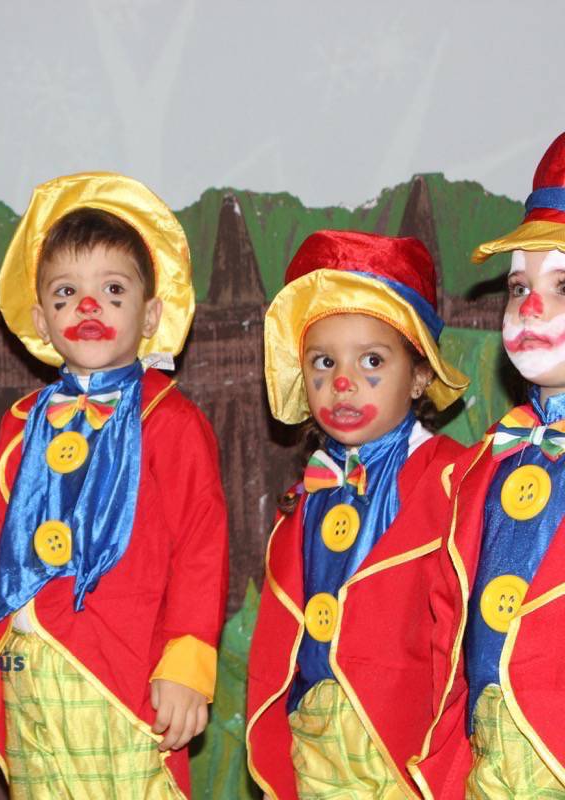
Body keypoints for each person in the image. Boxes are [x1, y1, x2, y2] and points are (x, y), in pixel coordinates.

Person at [0, 172, 229, 798]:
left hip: (126, 669)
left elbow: (202, 547)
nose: (87, 307)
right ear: (41, 318)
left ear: (150, 316)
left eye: (112, 290)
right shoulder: (18, 426)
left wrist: (188, 663)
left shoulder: (172, 421)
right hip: (31, 670)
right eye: (67, 292)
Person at [245, 230, 469, 799]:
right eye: (323, 361)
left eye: (371, 360)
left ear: (419, 375)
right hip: (312, 732)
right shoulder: (305, 496)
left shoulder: (454, 477)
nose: (342, 382)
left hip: (406, 741)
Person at [413, 131, 565, 799]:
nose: (531, 307)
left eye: (563, 285)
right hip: (488, 761)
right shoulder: (486, 463)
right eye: (518, 286)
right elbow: (446, 624)